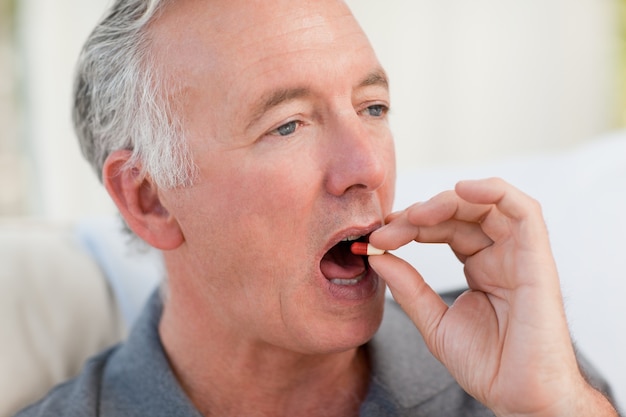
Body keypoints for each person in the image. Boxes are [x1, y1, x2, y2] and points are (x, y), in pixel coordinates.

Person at [16, 0, 619, 416]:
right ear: (150, 200)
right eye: (287, 126)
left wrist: (556, 406)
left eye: (373, 108)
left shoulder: (520, 367)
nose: (368, 169)